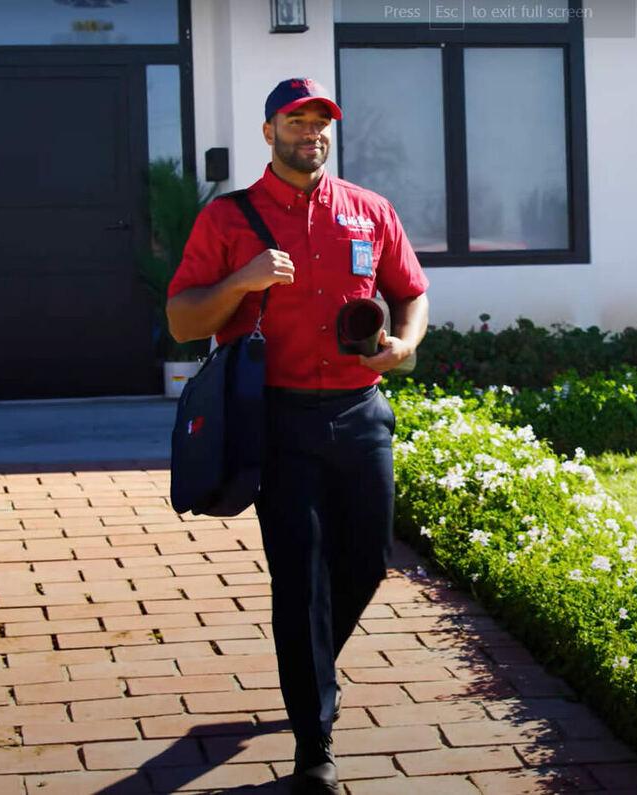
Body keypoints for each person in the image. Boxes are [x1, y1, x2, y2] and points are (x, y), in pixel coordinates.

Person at [166, 78, 429, 794]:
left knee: (368, 560)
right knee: (299, 576)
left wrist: (403, 344)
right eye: (296, 120)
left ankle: (310, 664)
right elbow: (183, 321)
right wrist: (242, 281)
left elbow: (412, 290)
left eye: (320, 121)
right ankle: (315, 740)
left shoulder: (369, 210)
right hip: (274, 417)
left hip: (359, 411)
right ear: (268, 131)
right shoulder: (227, 219)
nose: (310, 131)